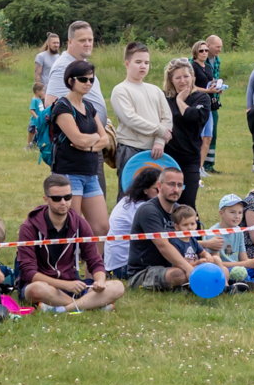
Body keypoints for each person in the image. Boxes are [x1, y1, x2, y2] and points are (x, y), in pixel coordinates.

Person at [13, 175, 122, 312]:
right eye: (57, 198)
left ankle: (65, 308)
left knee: (118, 286)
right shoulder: (29, 226)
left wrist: (99, 280)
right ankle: (88, 304)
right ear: (46, 199)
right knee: (35, 290)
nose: (63, 202)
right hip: (44, 286)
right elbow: (28, 272)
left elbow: (94, 260)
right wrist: (66, 285)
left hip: (73, 285)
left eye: (68, 197)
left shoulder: (79, 223)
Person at [125, 166, 234, 294]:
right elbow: (163, 246)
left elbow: (189, 242)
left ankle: (223, 287)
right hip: (146, 271)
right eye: (171, 184)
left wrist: (204, 259)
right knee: (179, 275)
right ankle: (191, 285)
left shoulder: (180, 210)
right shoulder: (149, 211)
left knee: (223, 271)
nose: (176, 189)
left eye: (180, 185)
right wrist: (190, 269)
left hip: (176, 265)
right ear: (159, 186)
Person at [108, 42, 174, 196]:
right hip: (131, 149)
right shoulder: (120, 90)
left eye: (146, 62)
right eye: (138, 62)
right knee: (130, 195)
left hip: (155, 151)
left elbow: (167, 117)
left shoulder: (155, 90)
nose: (143, 66)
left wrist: (159, 141)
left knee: (156, 195)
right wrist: (160, 131)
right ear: (127, 63)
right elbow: (131, 119)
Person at [47, 60, 109, 200]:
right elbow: (78, 140)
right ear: (70, 81)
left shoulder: (89, 106)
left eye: (91, 79)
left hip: (91, 173)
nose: (88, 83)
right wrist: (94, 137)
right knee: (72, 220)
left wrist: (89, 148)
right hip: (69, 172)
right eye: (83, 79)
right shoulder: (62, 107)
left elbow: (105, 139)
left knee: (101, 223)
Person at [165, 58, 214, 216]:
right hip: (167, 158)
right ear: (171, 80)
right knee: (167, 204)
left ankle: (195, 239)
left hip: (190, 159)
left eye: (186, 76)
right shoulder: (164, 99)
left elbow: (195, 117)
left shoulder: (201, 98)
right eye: (177, 77)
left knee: (187, 205)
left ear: (193, 77)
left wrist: (180, 100)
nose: (183, 81)